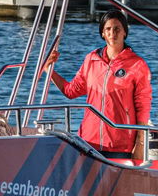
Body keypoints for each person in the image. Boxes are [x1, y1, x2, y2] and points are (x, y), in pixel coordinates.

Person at [42, 10, 152, 160]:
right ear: (103, 33)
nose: (112, 33)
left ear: (125, 32)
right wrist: (48, 69)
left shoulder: (137, 64)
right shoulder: (91, 59)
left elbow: (143, 107)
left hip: (119, 144)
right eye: (108, 29)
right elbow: (70, 91)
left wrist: (140, 144)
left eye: (117, 29)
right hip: (88, 142)